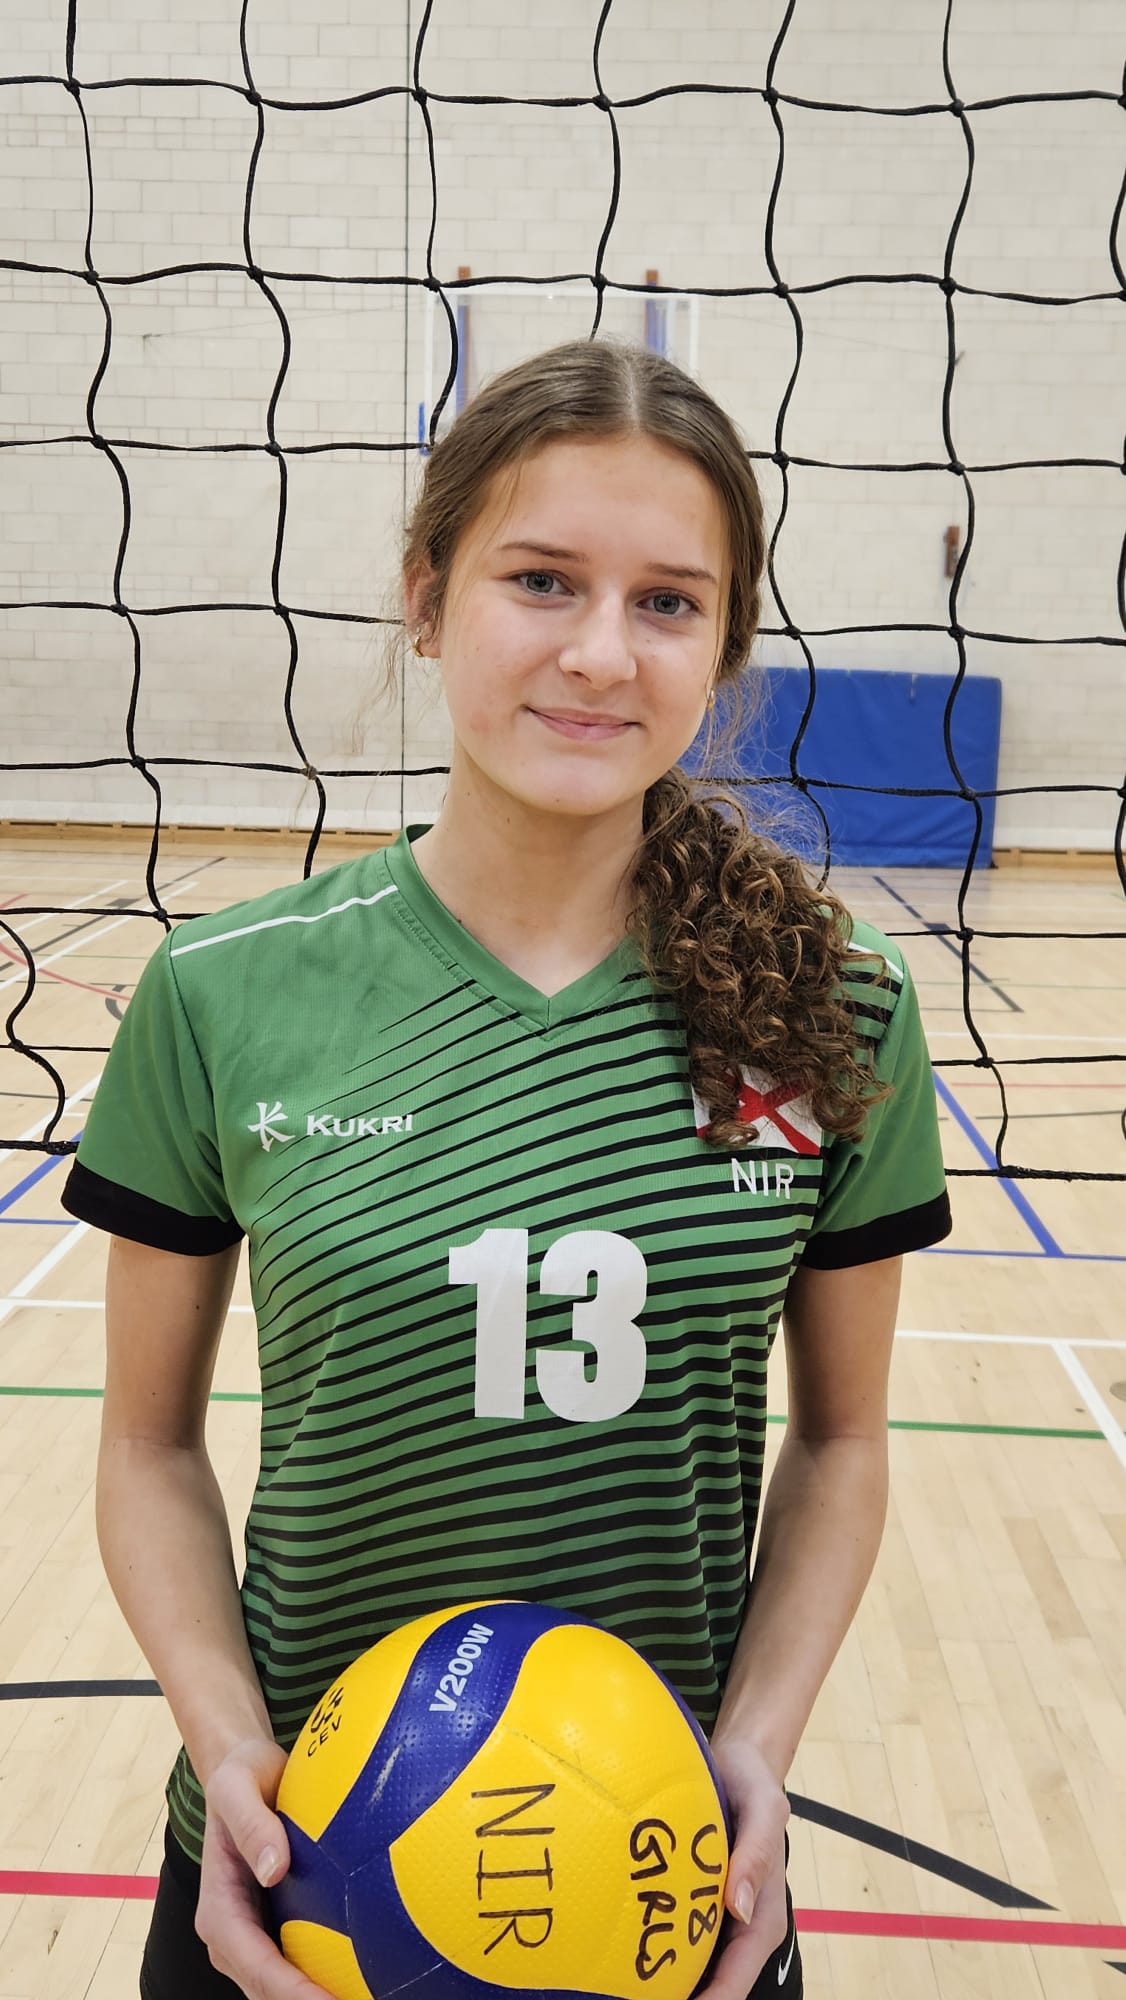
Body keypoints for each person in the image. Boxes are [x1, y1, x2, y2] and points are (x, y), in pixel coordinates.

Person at [62, 338, 951, 2000]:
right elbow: (146, 1445)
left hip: (663, 1869)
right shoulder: (223, 993)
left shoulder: (832, 1003)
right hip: (297, 1865)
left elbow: (839, 1441)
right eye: (541, 580)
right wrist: (229, 1741)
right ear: (426, 596)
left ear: (723, 648)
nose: (600, 652)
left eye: (667, 602)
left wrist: (754, 1752)